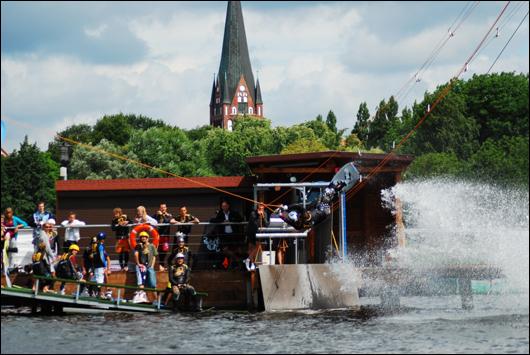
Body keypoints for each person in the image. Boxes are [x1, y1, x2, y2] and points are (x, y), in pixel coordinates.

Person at [211, 200, 244, 268]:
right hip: (224, 235)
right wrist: (223, 221)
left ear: (228, 206)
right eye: (222, 206)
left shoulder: (233, 213)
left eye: (225, 206)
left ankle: (235, 264)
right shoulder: (220, 213)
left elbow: (240, 219)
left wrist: (230, 221)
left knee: (236, 249)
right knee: (225, 250)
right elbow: (212, 220)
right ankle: (238, 260)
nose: (224, 207)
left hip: (233, 234)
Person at [133, 231, 158, 302]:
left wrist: (152, 266)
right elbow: (136, 254)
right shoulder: (138, 246)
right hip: (142, 266)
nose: (143, 238)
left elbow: (154, 256)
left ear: (148, 238)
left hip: (149, 267)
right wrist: (138, 263)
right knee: (141, 282)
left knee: (153, 284)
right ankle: (141, 298)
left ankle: (156, 300)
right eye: (142, 237)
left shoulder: (152, 246)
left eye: (145, 237)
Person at [245, 203, 269, 271]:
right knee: (252, 248)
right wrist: (258, 215)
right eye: (259, 207)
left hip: (259, 233)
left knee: (258, 246)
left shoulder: (265, 213)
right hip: (252, 233)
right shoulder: (253, 213)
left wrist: (263, 217)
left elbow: (266, 224)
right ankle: (251, 263)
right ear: (257, 207)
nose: (261, 208)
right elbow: (254, 224)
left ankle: (249, 260)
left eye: (262, 207)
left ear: (264, 207)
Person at [153, 203, 173, 272]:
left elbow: (167, 221)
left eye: (164, 207)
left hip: (165, 236)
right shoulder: (156, 215)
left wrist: (162, 215)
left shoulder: (169, 215)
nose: (163, 209)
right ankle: (160, 266)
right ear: (159, 208)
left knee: (164, 250)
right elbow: (151, 220)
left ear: (166, 208)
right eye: (161, 208)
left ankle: (162, 265)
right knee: (158, 251)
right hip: (158, 236)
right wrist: (157, 215)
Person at [91, 232, 110, 298]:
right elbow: (102, 257)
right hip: (100, 266)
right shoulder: (100, 246)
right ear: (103, 239)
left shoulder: (95, 246)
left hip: (96, 265)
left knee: (95, 280)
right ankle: (100, 294)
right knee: (100, 281)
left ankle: (93, 292)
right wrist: (105, 265)